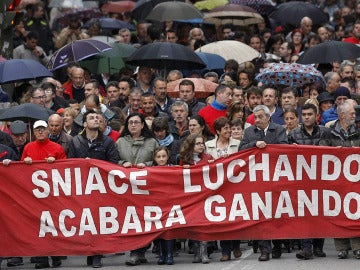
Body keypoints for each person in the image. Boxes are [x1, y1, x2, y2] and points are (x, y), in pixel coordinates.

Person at [68, 110, 120, 268]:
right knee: (86, 221)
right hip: (82, 187)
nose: (96, 119)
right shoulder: (75, 141)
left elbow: (114, 164)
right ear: (84, 124)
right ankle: (90, 252)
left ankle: (96, 254)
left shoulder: (108, 142)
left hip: (101, 188)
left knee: (98, 222)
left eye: (98, 117)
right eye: (91, 118)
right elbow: (69, 164)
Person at [239, 105, 288, 262]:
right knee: (261, 215)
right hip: (257, 179)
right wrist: (254, 144)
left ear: (268, 117)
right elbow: (241, 150)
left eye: (260, 117)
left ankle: (277, 246)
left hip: (276, 177)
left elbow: (285, 148)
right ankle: (264, 250)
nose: (257, 120)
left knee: (276, 214)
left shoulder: (279, 129)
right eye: (255, 117)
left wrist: (266, 145)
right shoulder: (249, 132)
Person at [21, 120, 66, 269]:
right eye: (37, 130)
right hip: (35, 195)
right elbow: (20, 172)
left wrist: (56, 162)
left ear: (48, 131)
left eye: (43, 129)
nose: (40, 132)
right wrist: (25, 162)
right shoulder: (28, 147)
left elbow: (67, 169)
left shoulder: (57, 148)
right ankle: (42, 258)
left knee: (54, 225)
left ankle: (56, 255)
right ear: (33, 133)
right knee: (38, 226)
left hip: (53, 194)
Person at [319, 100, 360, 260]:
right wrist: (332, 152)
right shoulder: (329, 132)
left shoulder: (357, 131)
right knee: (338, 212)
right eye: (352, 114)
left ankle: (357, 247)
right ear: (342, 115)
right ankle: (341, 247)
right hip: (335, 180)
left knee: (354, 212)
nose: (355, 116)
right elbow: (320, 152)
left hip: (354, 179)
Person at [116, 112, 158, 266]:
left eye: (136, 122)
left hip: (146, 187)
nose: (133, 125)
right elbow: (112, 161)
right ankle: (136, 251)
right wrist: (121, 163)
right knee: (131, 220)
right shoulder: (120, 142)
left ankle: (139, 251)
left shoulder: (152, 142)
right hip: (125, 189)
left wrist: (146, 165)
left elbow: (159, 160)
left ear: (142, 125)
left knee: (144, 219)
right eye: (130, 123)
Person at [288, 103, 328, 260]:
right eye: (304, 114)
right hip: (302, 180)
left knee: (320, 213)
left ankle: (318, 247)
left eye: (309, 114)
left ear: (316, 115)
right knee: (305, 213)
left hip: (321, 179)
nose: (306, 117)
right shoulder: (294, 133)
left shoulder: (325, 132)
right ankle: (307, 248)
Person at [205, 117, 241, 262]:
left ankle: (236, 245)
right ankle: (225, 251)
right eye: (225, 128)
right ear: (218, 131)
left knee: (235, 216)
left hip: (235, 184)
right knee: (222, 218)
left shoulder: (238, 144)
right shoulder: (208, 145)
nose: (228, 131)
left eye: (229, 128)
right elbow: (204, 162)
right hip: (217, 187)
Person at [179, 133, 213, 264]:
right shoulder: (183, 159)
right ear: (191, 145)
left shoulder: (208, 157)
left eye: (202, 143)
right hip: (190, 196)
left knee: (203, 224)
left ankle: (204, 253)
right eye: (198, 143)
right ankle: (196, 252)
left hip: (204, 195)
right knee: (192, 224)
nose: (201, 146)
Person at [152, 146, 175, 265]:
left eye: (163, 156)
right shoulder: (150, 170)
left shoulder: (174, 169)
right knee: (159, 230)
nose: (161, 159)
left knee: (169, 229)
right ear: (154, 158)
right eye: (158, 157)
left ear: (168, 157)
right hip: (156, 204)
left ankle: (170, 254)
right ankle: (161, 254)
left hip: (170, 202)